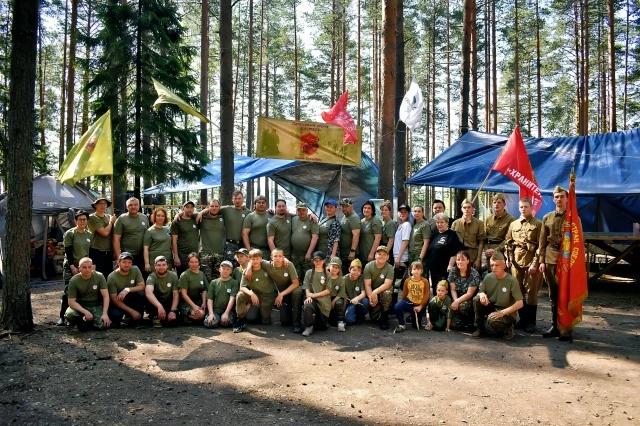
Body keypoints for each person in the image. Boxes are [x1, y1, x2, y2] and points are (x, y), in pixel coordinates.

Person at [537, 186, 573, 341]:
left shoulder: (573, 218)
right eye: (556, 197)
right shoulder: (547, 217)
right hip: (550, 258)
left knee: (566, 294)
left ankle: (566, 328)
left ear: (567, 198)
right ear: (553, 199)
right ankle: (554, 326)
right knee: (553, 294)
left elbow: (578, 242)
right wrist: (541, 261)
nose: (559, 199)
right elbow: (542, 242)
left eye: (562, 196)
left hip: (567, 259)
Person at [505, 197, 543, 333]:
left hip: (531, 262)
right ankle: (523, 320)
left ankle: (531, 322)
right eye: (521, 207)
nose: (523, 209)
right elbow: (508, 243)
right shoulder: (513, 224)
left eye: (526, 206)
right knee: (518, 292)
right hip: (516, 263)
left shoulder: (538, 224)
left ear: (531, 208)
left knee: (532, 292)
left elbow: (540, 246)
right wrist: (509, 258)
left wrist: (535, 264)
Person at [246, 248, 304, 330]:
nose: (278, 258)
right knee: (285, 321)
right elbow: (253, 259)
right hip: (277, 293)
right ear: (271, 257)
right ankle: (261, 313)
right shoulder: (267, 264)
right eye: (275, 256)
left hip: (289, 290)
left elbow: (296, 283)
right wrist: (249, 268)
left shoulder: (288, 265)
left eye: (280, 256)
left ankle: (296, 323)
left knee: (297, 292)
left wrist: (282, 294)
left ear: (283, 257)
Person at [472, 252, 523, 340]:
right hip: (492, 306)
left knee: (493, 321)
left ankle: (508, 328)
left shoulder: (512, 280)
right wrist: (481, 294)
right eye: (492, 265)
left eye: (497, 265)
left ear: (504, 266)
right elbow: (480, 291)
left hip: (506, 311)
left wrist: (502, 313)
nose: (494, 268)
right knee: (476, 299)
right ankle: (480, 328)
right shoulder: (488, 277)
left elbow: (520, 303)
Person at [58, 210, 93, 326]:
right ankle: (62, 317)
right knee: (68, 291)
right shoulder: (70, 233)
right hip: (71, 266)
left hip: (85, 267)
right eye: (80, 219)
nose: (82, 221)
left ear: (87, 221)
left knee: (82, 291)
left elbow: (90, 251)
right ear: (75, 221)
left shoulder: (89, 235)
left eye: (84, 219)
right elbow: (68, 251)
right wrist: (72, 266)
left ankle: (76, 316)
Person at [234, 249, 277, 332]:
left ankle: (262, 313)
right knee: (240, 295)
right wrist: (251, 294)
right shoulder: (247, 271)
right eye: (253, 259)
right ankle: (240, 319)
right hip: (255, 296)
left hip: (267, 297)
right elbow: (242, 287)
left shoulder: (266, 268)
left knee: (265, 320)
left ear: (261, 259)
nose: (255, 261)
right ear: (250, 260)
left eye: (257, 259)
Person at [65, 257, 111, 331]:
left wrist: (105, 313)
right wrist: (85, 311)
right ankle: (81, 321)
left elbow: (105, 296)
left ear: (92, 267)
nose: (87, 270)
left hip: (95, 305)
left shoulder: (99, 276)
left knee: (103, 324)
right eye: (84, 267)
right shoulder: (74, 280)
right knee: (70, 315)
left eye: (89, 267)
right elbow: (71, 302)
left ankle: (87, 322)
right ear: (79, 268)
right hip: (80, 305)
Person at [424, 213, 464, 295]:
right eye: (437, 222)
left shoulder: (452, 234)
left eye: (442, 222)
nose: (439, 224)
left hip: (445, 269)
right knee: (436, 289)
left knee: (444, 289)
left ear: (447, 223)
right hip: (434, 268)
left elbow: (455, 252)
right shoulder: (435, 234)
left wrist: (450, 266)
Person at [107, 252, 146, 326]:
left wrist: (127, 289)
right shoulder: (112, 277)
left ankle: (135, 317)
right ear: (118, 263)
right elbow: (114, 299)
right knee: (115, 317)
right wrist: (132, 312)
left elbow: (142, 286)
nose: (127, 265)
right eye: (124, 262)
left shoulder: (135, 269)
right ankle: (128, 316)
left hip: (130, 298)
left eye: (129, 262)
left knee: (141, 293)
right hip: (118, 302)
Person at [113, 197, 149, 273]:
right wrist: (119, 257)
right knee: (128, 276)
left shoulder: (144, 217)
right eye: (130, 205)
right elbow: (116, 239)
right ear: (127, 207)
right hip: (127, 255)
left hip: (142, 255)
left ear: (139, 206)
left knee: (142, 276)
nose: (133, 207)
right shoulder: (121, 219)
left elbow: (148, 236)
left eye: (135, 205)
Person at [301, 251, 332, 337]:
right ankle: (308, 327)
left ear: (324, 261)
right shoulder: (309, 272)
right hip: (312, 299)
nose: (317, 262)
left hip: (324, 303)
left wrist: (313, 295)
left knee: (321, 327)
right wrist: (308, 296)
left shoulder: (328, 274)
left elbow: (328, 290)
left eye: (320, 260)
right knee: (308, 304)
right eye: (315, 260)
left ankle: (319, 322)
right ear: (313, 261)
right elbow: (306, 287)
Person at [363, 245, 395, 329]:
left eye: (384, 254)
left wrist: (375, 292)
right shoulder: (368, 266)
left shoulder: (390, 268)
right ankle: (376, 311)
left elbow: (387, 284)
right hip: (371, 290)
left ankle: (384, 317)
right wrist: (371, 297)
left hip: (383, 290)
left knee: (387, 294)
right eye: (379, 254)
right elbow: (367, 285)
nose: (381, 256)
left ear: (388, 257)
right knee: (374, 318)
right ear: (375, 255)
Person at [448, 250, 480, 331]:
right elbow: (453, 289)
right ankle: (458, 319)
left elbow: (469, 294)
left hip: (469, 299)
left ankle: (469, 321)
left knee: (463, 306)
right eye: (458, 260)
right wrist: (455, 300)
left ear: (468, 261)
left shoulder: (474, 273)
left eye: (463, 260)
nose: (460, 262)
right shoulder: (453, 271)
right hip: (456, 296)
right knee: (453, 325)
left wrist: (457, 302)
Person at [393, 261, 429, 332]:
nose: (416, 271)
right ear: (411, 271)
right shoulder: (407, 280)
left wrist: (421, 306)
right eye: (414, 269)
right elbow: (404, 294)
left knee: (415, 326)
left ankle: (412, 317)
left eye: (418, 269)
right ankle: (402, 324)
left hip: (419, 305)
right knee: (397, 306)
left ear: (421, 271)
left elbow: (426, 295)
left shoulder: (425, 281)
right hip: (409, 302)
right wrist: (403, 304)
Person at [483, 193, 515, 271]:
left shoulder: (510, 219)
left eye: (499, 202)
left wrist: (496, 250)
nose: (496, 204)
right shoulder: (488, 219)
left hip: (502, 251)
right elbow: (484, 237)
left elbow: (508, 239)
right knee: (491, 274)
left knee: (501, 273)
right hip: (489, 250)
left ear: (504, 204)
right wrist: (486, 250)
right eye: (494, 202)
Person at [145, 255, 179, 327]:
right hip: (156, 303)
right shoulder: (151, 277)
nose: (161, 267)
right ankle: (153, 316)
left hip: (169, 303)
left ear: (167, 266)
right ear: (155, 266)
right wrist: (159, 306)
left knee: (173, 321)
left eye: (164, 265)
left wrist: (172, 311)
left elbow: (175, 294)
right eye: (159, 265)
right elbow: (148, 293)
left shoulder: (173, 276)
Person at [451, 199, 485, 270]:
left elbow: (481, 242)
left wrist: (478, 259)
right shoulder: (455, 223)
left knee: (474, 276)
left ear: (473, 209)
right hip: (459, 257)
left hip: (473, 256)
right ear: (461, 209)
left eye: (469, 207)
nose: (466, 209)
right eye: (464, 207)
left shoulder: (479, 224)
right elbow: (452, 243)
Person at [204, 260, 239, 328]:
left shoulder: (234, 282)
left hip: (228, 311)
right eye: (223, 269)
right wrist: (211, 313)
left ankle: (221, 320)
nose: (225, 271)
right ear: (219, 269)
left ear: (231, 271)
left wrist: (226, 313)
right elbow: (210, 299)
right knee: (209, 323)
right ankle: (216, 319)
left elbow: (232, 298)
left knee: (225, 322)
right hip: (215, 311)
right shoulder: (213, 282)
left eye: (228, 269)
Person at [199, 199, 226, 282]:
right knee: (206, 279)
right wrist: (178, 214)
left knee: (218, 279)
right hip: (205, 254)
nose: (214, 208)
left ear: (219, 207)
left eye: (216, 206)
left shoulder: (224, 217)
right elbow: (188, 213)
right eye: (212, 206)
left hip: (220, 253)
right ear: (208, 207)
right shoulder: (201, 217)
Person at [88, 197, 116, 278]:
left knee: (109, 275)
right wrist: (111, 222)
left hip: (109, 251)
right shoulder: (92, 217)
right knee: (98, 275)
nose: (102, 205)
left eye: (104, 203)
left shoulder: (109, 216)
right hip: (97, 251)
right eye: (100, 204)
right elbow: (104, 233)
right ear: (95, 205)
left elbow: (114, 234)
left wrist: (115, 250)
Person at [290, 201, 319, 279]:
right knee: (296, 275)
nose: (301, 212)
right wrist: (269, 211)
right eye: (299, 210)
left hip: (307, 253)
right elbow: (284, 213)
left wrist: (309, 253)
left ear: (307, 210)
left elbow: (315, 237)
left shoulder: (312, 220)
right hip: (295, 254)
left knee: (307, 275)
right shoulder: (294, 219)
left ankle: (307, 287)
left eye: (303, 210)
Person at [171, 200, 200, 276]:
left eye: (191, 207)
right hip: (182, 256)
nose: (190, 209)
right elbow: (174, 241)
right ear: (183, 208)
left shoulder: (195, 219)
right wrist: (176, 256)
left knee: (193, 276)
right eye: (187, 207)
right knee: (182, 276)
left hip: (194, 256)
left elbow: (207, 210)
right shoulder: (177, 221)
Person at [178, 252, 207, 323]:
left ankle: (191, 319)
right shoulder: (185, 275)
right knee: (200, 314)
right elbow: (184, 294)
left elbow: (204, 290)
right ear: (188, 263)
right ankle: (185, 316)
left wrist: (204, 302)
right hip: (186, 303)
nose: (194, 264)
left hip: (198, 302)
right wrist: (194, 306)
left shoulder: (201, 274)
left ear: (199, 262)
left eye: (196, 262)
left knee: (203, 313)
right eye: (191, 262)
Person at [143, 207, 172, 273]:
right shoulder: (149, 231)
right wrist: (147, 263)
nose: (160, 217)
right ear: (154, 217)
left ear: (165, 217)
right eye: (158, 215)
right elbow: (145, 249)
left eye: (162, 216)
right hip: (155, 262)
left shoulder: (168, 229)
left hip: (167, 261)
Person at [340, 258, 369, 325]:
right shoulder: (344, 279)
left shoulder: (361, 278)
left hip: (359, 301)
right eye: (354, 270)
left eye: (359, 270)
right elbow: (343, 293)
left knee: (365, 301)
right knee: (349, 320)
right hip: (350, 302)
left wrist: (357, 298)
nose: (356, 272)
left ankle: (361, 315)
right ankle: (353, 314)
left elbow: (363, 294)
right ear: (349, 270)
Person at [392, 204, 412, 296]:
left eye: (405, 212)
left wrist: (398, 258)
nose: (402, 214)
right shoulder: (401, 225)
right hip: (398, 258)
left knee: (396, 284)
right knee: (401, 284)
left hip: (401, 259)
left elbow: (405, 241)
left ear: (408, 214)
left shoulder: (407, 225)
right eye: (401, 212)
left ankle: (395, 303)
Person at [339, 198, 361, 273]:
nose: (344, 208)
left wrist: (352, 251)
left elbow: (356, 235)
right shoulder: (345, 216)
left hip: (350, 254)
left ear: (351, 206)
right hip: (344, 252)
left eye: (346, 206)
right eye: (342, 206)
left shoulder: (354, 218)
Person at [327, 257, 348, 331]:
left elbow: (341, 293)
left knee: (339, 303)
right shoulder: (325, 276)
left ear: (339, 269)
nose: (334, 269)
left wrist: (333, 301)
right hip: (325, 297)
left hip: (336, 298)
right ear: (329, 266)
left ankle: (340, 322)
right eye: (333, 266)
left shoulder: (341, 279)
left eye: (337, 267)